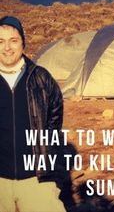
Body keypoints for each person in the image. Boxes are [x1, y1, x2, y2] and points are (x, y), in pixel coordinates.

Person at [0, 16, 66, 212]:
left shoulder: (41, 78)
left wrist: (45, 155)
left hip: (37, 178)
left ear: (23, 43)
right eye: (0, 41)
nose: (7, 48)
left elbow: (55, 120)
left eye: (13, 40)